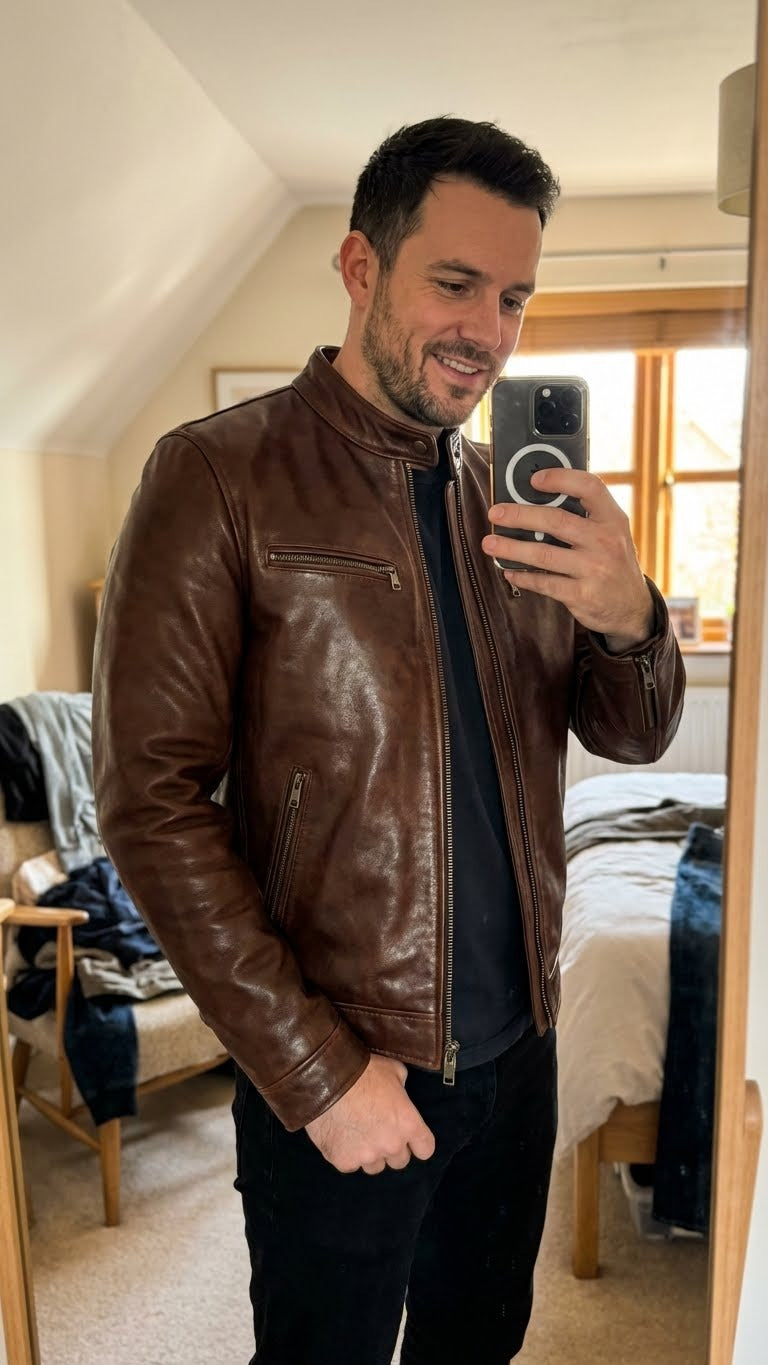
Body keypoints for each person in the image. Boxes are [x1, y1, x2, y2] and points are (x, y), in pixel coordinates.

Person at [92, 116, 685, 1365]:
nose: (488, 330)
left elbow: (632, 737)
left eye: (514, 297)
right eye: (455, 283)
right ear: (361, 267)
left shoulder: (515, 503)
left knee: (482, 1345)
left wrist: (628, 611)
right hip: (347, 1064)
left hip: (520, 1060)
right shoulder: (219, 476)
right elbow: (149, 802)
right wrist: (314, 1070)